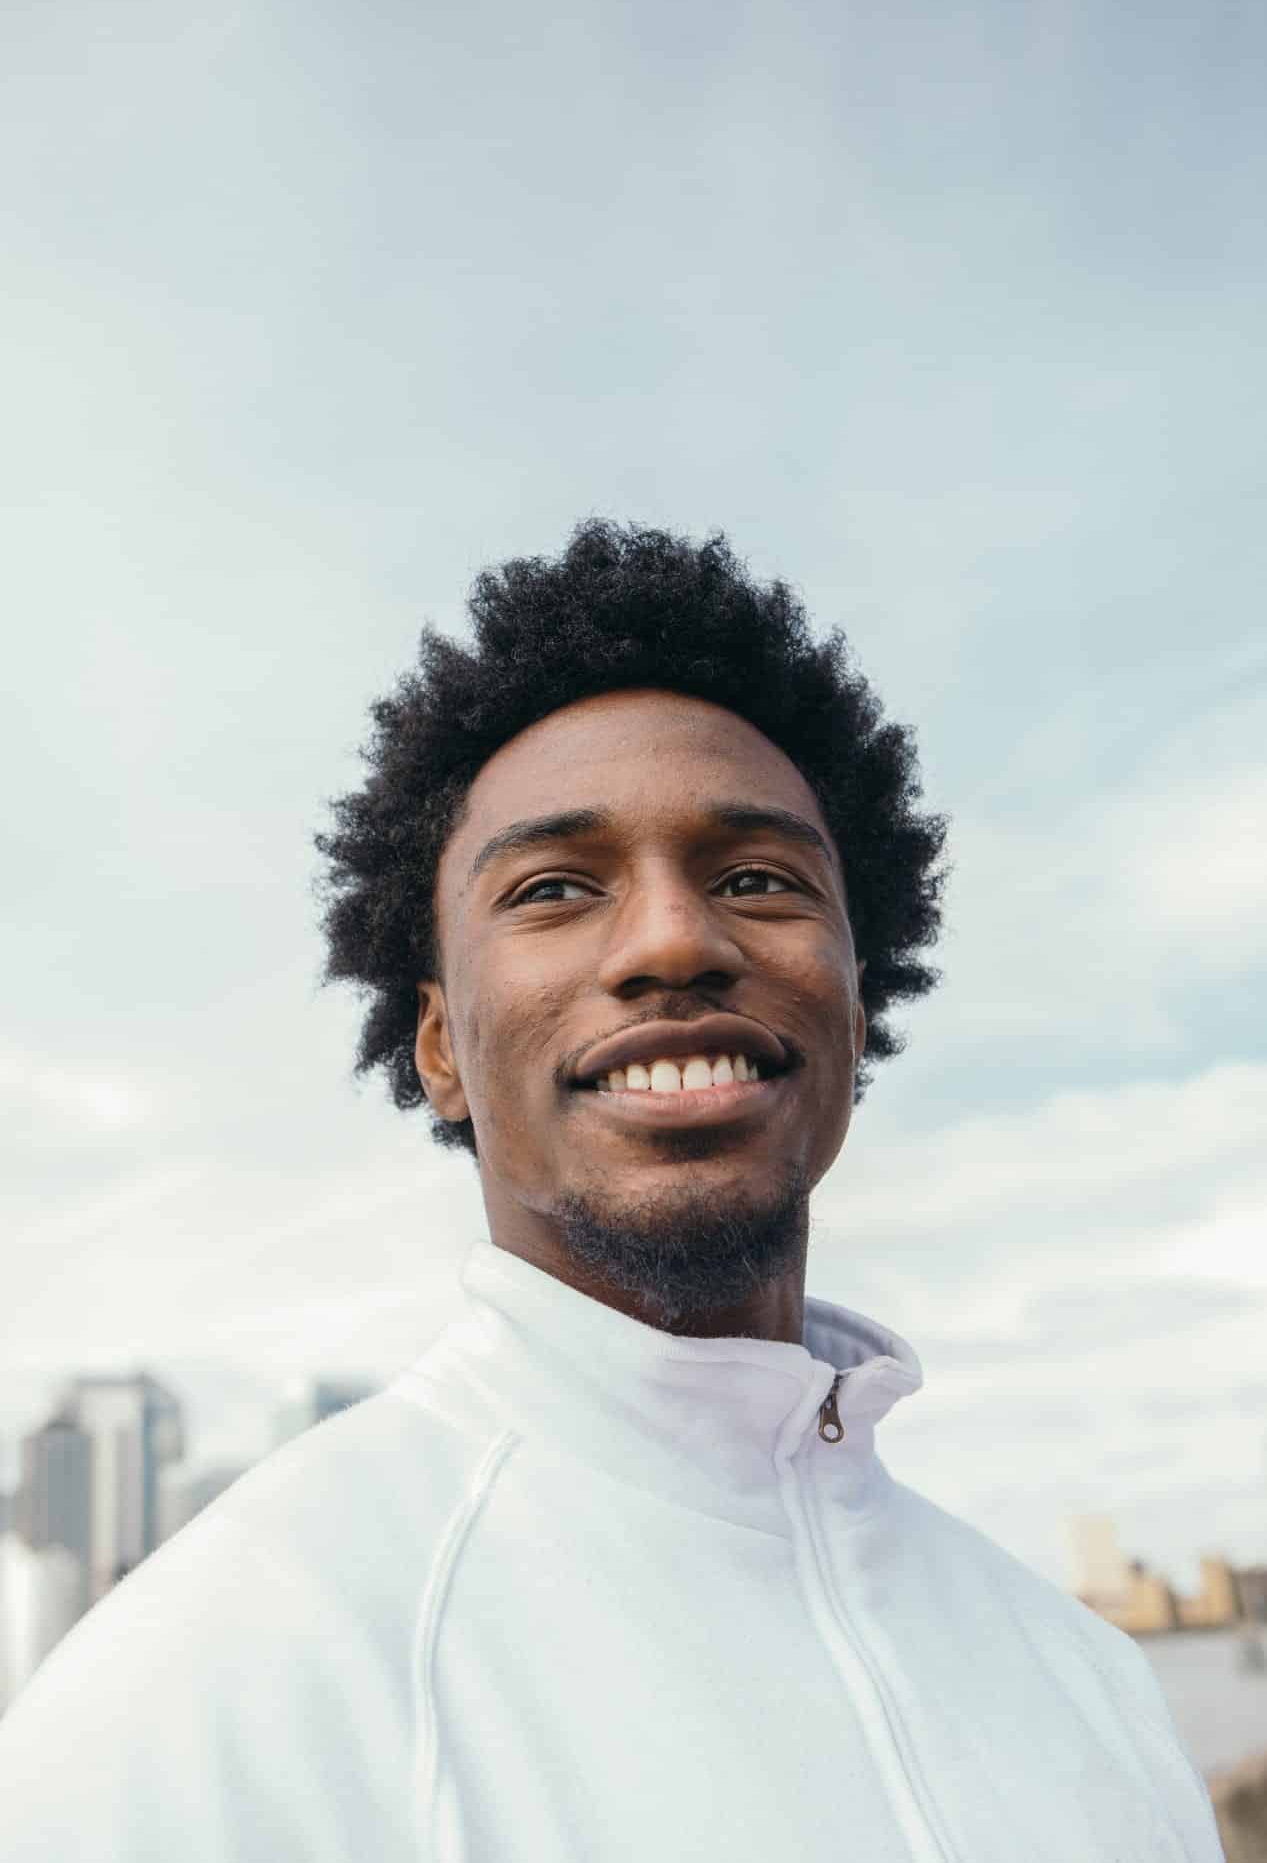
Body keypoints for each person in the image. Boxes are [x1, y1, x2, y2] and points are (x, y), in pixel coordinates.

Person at [0, 520, 1224, 1861]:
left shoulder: (1084, 1681)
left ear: (858, 1008)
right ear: (440, 1049)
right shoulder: (206, 1696)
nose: (673, 940)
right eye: (556, 887)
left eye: (757, 878)